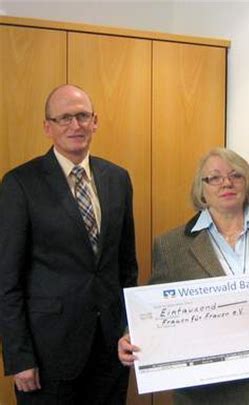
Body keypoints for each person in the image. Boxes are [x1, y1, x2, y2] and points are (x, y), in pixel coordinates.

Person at [118, 147, 249, 404]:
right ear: (201, 190)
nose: (226, 182)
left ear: (248, 184)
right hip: (202, 392)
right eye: (214, 177)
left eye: (236, 175)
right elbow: (154, 310)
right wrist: (131, 335)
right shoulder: (171, 245)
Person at [0, 84, 138, 404]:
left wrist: (129, 329)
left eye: (82, 116)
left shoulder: (118, 178)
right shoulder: (20, 184)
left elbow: (126, 267)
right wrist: (20, 358)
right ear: (47, 127)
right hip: (48, 355)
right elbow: (7, 281)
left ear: (95, 121)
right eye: (64, 118)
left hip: (111, 350)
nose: (75, 126)